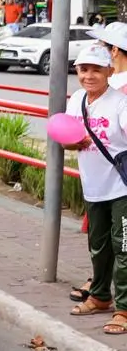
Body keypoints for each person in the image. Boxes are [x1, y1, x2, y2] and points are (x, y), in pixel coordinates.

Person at [64, 46, 127, 335]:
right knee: (98, 246)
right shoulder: (77, 99)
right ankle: (100, 296)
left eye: (96, 70)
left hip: (121, 186)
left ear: (109, 72)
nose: (89, 75)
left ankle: (124, 308)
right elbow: (66, 138)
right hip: (93, 185)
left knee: (123, 246)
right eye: (83, 69)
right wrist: (72, 143)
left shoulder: (120, 103)